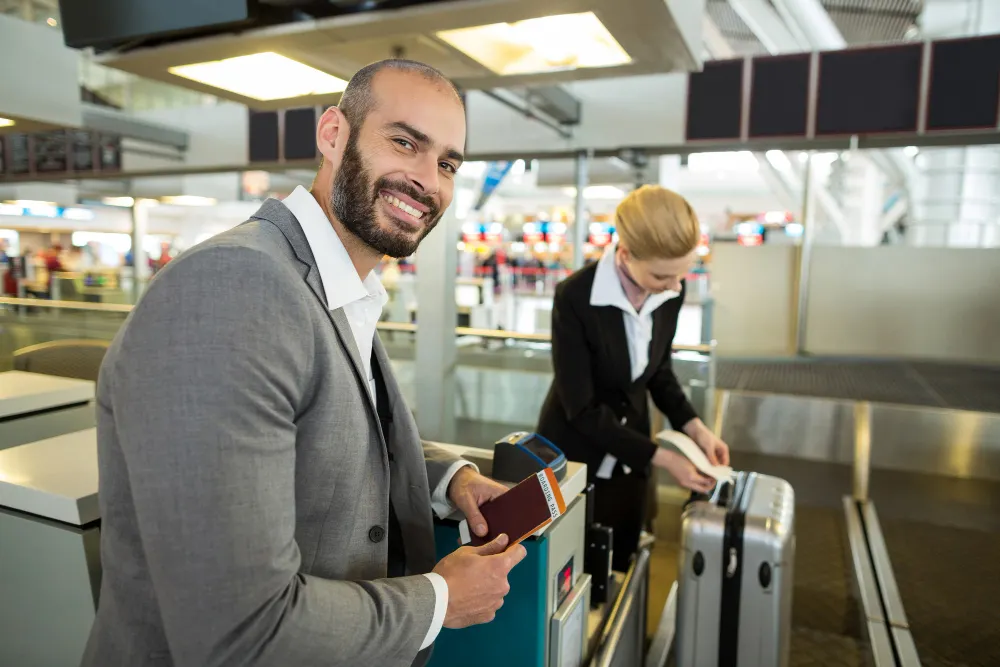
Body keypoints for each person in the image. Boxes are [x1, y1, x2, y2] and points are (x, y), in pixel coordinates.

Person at [83, 59, 527, 667]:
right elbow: (241, 630)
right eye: (404, 142)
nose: (428, 180)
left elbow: (330, 429)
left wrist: (453, 480)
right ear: (333, 134)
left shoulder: (330, 286)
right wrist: (440, 601)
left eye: (448, 163)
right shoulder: (232, 289)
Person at [536, 185, 731, 572]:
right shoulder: (575, 297)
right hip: (576, 455)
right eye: (662, 275)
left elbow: (659, 372)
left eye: (681, 275)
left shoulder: (670, 289)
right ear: (624, 254)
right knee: (572, 567)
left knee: (622, 554)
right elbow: (583, 409)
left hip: (632, 456)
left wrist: (695, 429)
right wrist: (664, 459)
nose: (675, 287)